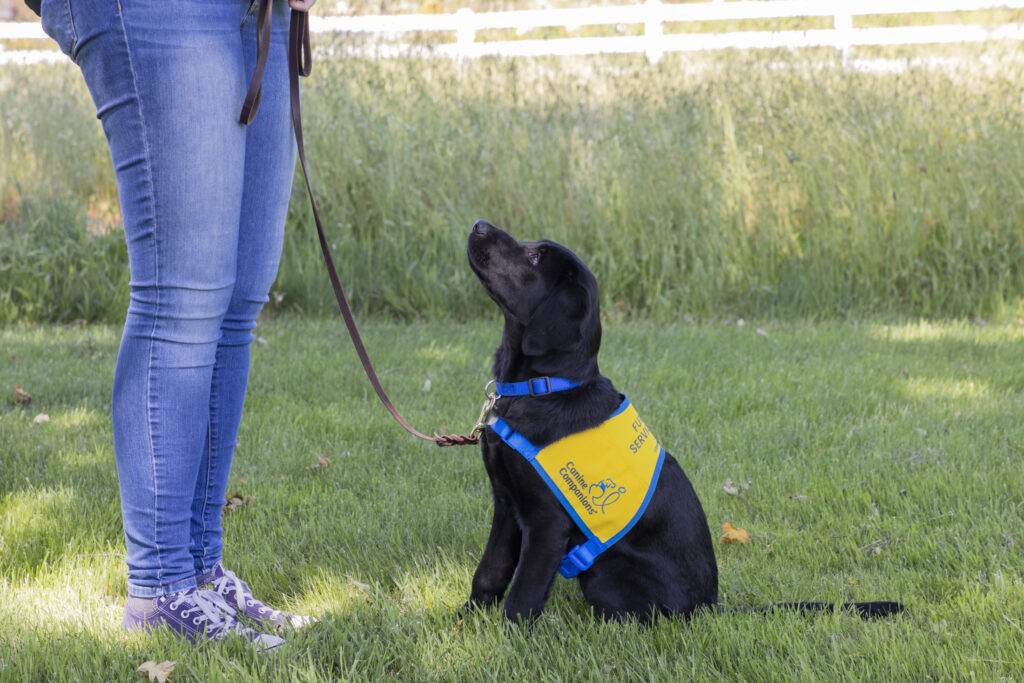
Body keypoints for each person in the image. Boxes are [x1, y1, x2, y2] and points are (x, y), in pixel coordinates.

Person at [39, 0, 317, 650]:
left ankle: (199, 569)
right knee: (184, 296)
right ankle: (160, 588)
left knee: (238, 297)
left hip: (259, 12)